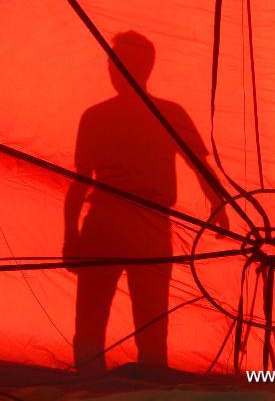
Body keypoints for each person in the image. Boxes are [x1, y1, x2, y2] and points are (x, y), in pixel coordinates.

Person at [63, 31, 228, 372]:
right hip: (108, 226)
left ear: (145, 67)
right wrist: (71, 235)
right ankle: (94, 383)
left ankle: (144, 381)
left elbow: (199, 165)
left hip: (140, 226)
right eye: (113, 62)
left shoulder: (168, 114)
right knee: (95, 317)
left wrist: (220, 204)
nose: (114, 70)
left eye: (120, 63)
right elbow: (81, 181)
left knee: (149, 316)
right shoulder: (96, 116)